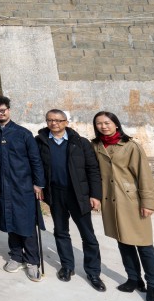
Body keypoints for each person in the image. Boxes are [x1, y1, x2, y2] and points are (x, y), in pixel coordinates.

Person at [92, 111, 154, 301]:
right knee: (123, 242)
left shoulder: (131, 146)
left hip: (132, 202)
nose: (103, 126)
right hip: (110, 202)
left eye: (107, 122)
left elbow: (144, 175)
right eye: (99, 123)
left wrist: (147, 203)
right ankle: (134, 279)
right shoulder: (96, 146)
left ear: (116, 124)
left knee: (144, 245)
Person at [35, 109, 106, 291]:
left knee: (88, 235)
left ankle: (93, 272)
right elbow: (36, 166)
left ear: (66, 122)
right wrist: (38, 185)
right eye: (50, 120)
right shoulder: (40, 142)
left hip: (78, 194)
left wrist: (95, 195)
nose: (54, 123)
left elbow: (93, 169)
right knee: (61, 232)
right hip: (55, 193)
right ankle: (67, 266)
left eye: (58, 120)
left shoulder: (80, 142)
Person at [0, 95, 45, 282]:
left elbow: (35, 159)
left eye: (3, 110)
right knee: (10, 221)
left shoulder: (23, 133)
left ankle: (33, 261)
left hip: (23, 185)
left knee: (26, 223)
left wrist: (38, 184)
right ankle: (16, 256)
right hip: (3, 186)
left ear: (9, 110)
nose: (0, 114)